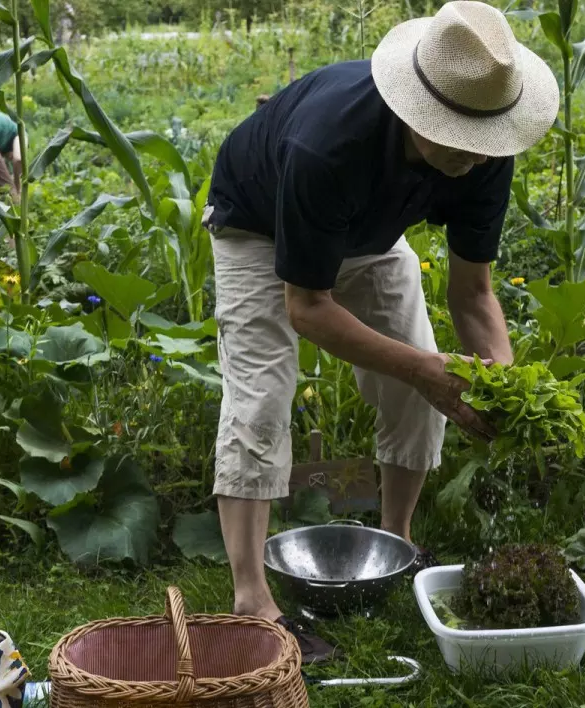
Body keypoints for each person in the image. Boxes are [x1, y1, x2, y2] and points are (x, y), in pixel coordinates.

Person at [203, 1, 559, 664]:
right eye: (450, 136)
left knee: (427, 388)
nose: (467, 156)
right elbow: (308, 306)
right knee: (262, 396)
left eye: (479, 141)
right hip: (257, 226)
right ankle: (252, 599)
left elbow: (473, 293)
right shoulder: (329, 142)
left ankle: (397, 541)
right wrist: (427, 369)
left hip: (368, 236)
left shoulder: (483, 150)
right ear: (411, 109)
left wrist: (500, 381)